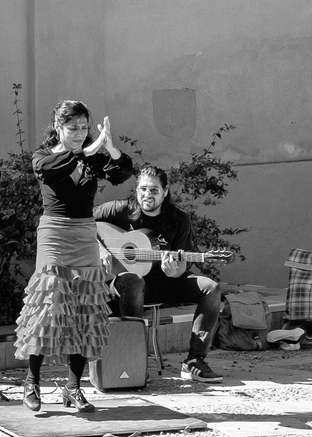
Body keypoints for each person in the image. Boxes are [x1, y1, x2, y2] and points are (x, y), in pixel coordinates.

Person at [16, 100, 134, 413]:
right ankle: (32, 381)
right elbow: (55, 169)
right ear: (58, 128)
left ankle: (73, 387)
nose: (80, 134)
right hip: (54, 233)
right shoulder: (43, 157)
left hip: (84, 233)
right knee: (47, 307)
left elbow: (124, 173)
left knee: (85, 307)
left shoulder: (91, 157)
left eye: (84, 128)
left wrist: (110, 147)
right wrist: (88, 149)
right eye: (73, 128)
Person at [94, 164, 224, 382]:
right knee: (133, 280)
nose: (147, 195)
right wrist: (100, 249)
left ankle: (194, 361)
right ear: (136, 190)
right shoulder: (120, 209)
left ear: (165, 191)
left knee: (211, 288)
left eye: (154, 190)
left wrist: (173, 271)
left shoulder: (178, 220)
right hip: (125, 286)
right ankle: (132, 361)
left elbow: (182, 267)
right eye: (143, 189)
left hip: (164, 284)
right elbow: (81, 222)